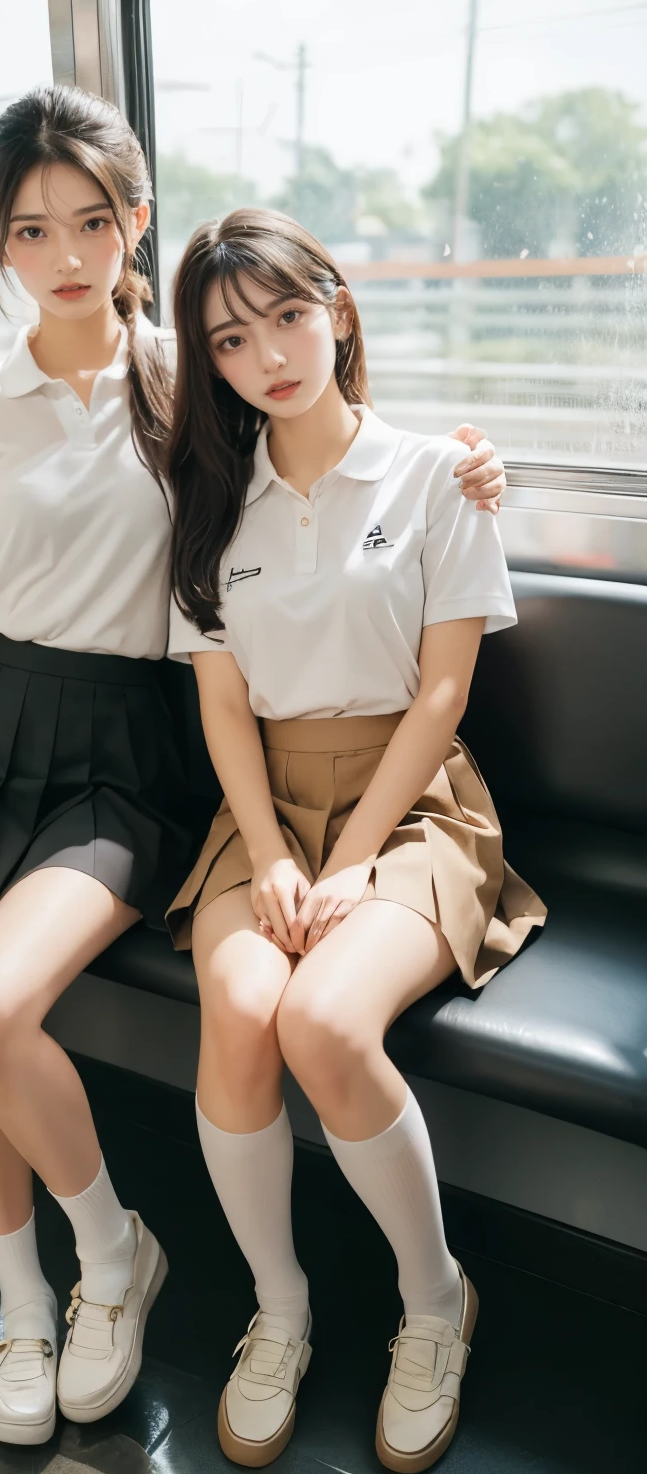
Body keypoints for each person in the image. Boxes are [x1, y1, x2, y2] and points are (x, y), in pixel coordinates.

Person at [0, 85, 507, 1449]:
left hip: (128, 741)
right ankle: (33, 1305)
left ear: (133, 223)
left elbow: (341, 469)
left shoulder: (191, 380)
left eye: (92, 222)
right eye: (31, 230)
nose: (65, 255)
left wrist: (472, 464)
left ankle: (135, 1262)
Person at [165, 209, 545, 1472]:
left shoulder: (439, 473)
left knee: (322, 1020)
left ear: (335, 307)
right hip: (263, 806)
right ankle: (281, 1308)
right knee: (239, 1003)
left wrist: (342, 865)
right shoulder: (212, 503)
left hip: (413, 798)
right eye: (230, 338)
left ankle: (435, 1303)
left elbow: (441, 696)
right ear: (208, 364)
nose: (267, 352)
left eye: (286, 314)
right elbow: (223, 700)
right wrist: (272, 854)